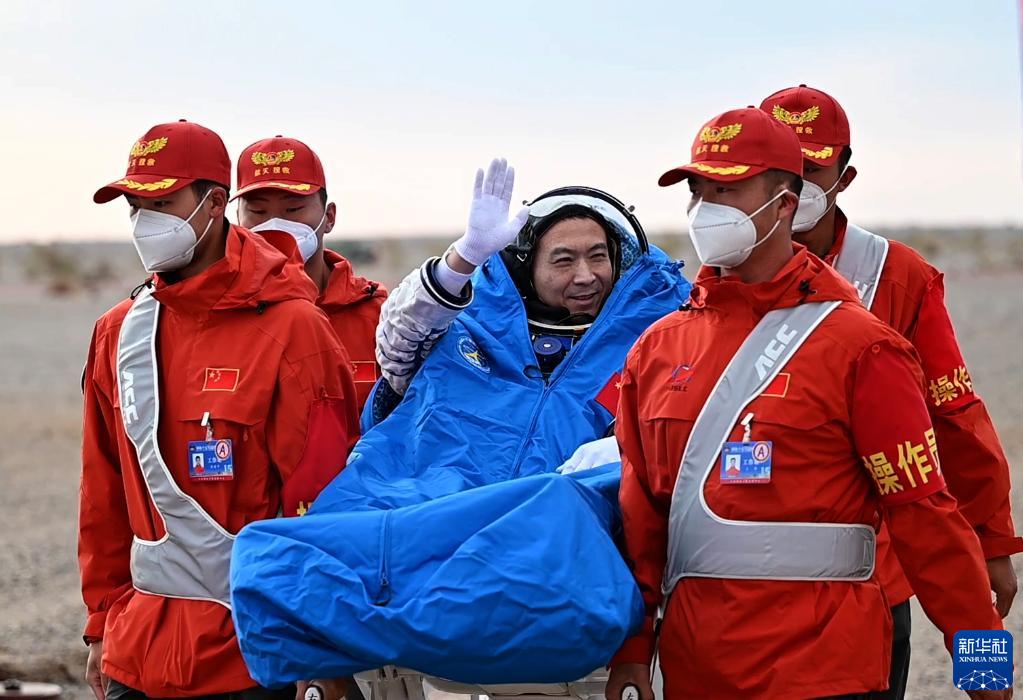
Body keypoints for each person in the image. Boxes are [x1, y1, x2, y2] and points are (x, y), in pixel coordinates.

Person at [229, 159, 690, 697]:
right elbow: (398, 341)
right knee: (287, 553)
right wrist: (464, 259)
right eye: (563, 260)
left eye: (597, 257)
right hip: (433, 530)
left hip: (554, 585)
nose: (585, 275)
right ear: (524, 266)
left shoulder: (657, 335)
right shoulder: (467, 323)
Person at [605, 108, 1006, 700]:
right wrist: (633, 650)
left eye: (729, 188)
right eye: (699, 189)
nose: (707, 208)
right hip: (694, 672)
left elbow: (929, 518)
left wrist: (987, 667)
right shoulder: (658, 350)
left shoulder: (864, 348)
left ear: (785, 203)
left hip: (829, 672)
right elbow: (642, 516)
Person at [79, 120, 360, 700]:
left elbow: (324, 500)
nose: (144, 220)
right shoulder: (118, 332)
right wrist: (101, 625)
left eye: (161, 202)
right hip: (139, 653)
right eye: (135, 203)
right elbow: (102, 490)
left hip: (256, 657)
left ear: (212, 204)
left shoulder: (293, 328)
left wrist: (319, 647)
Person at [759, 84, 1022, 699]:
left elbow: (953, 414)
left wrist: (992, 542)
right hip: (737, 580)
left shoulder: (895, 276)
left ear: (844, 177)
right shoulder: (714, 286)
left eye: (810, 170)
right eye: (776, 171)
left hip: (870, 576)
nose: (791, 189)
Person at [234, 135, 387, 411]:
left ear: (329, 217)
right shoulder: (224, 316)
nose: (276, 224)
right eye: (258, 211)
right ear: (237, 220)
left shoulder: (379, 317)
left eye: (293, 209)